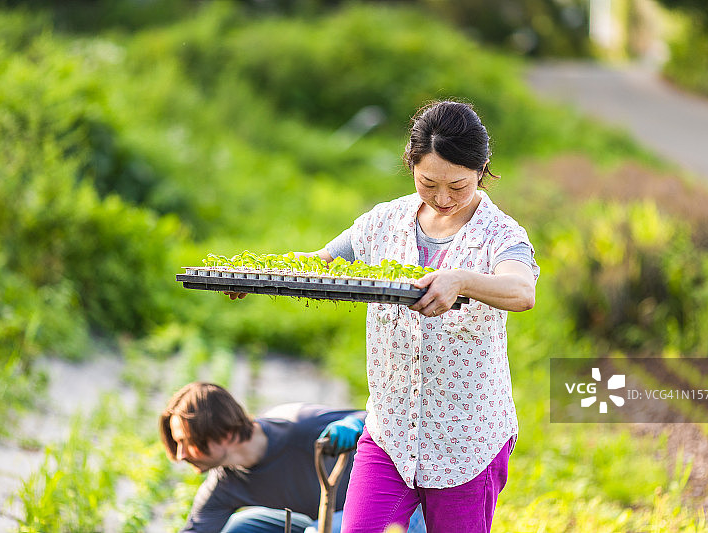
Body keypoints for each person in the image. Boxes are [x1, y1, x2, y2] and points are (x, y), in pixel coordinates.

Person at [229, 100, 539, 532]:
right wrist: (259, 275)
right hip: (391, 434)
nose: (443, 198)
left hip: (467, 442)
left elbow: (522, 291)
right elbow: (322, 263)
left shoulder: (500, 235)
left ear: (482, 169)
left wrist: (461, 280)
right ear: (411, 165)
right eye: (428, 183)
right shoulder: (384, 222)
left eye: (458, 186)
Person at [159, 381, 426, 533]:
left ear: (223, 433)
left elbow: (381, 419)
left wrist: (354, 424)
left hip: (397, 512)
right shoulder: (225, 483)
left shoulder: (299, 426)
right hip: (320, 522)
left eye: (186, 442)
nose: (180, 455)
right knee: (241, 527)